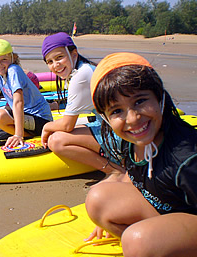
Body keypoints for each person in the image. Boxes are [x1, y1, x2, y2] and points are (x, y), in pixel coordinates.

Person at [85, 52, 197, 257]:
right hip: (169, 212)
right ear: (106, 118)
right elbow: (133, 177)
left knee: (138, 241)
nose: (133, 119)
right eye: (117, 110)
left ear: (160, 97)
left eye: (140, 101)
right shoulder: (131, 142)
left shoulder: (187, 159)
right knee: (97, 199)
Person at [41, 32, 123, 174]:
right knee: (74, 128)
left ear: (74, 54)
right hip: (112, 126)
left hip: (121, 135)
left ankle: (115, 171)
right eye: (50, 61)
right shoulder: (84, 69)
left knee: (56, 140)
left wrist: (47, 127)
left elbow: (67, 125)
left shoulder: (81, 76)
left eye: (59, 57)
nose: (56, 65)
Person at [0, 39, 53, 149]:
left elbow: (18, 101)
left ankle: (26, 135)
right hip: (23, 120)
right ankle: (27, 135)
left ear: (13, 58)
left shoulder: (13, 70)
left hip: (40, 120)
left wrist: (18, 134)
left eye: (4, 59)